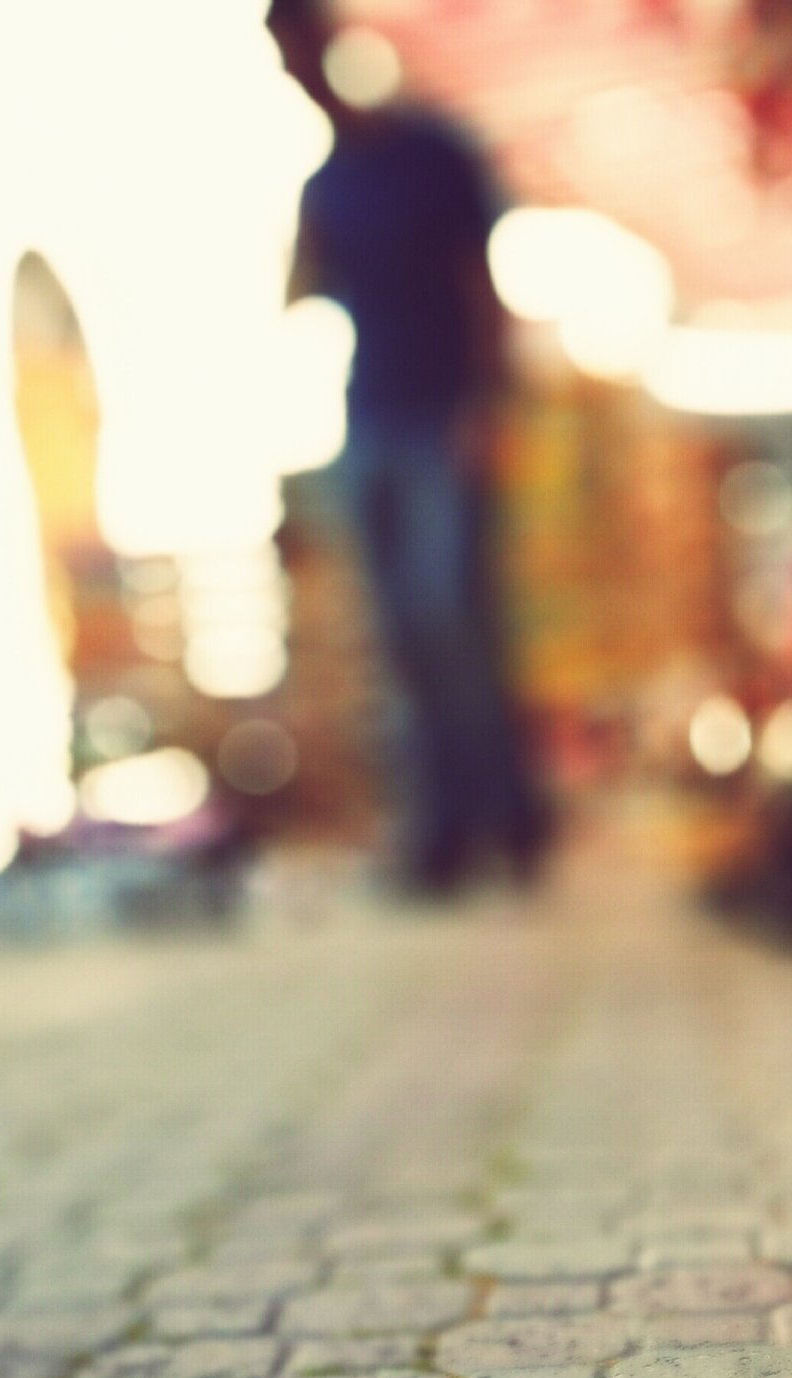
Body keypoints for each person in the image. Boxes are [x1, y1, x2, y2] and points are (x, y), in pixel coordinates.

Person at [271, 0, 547, 893]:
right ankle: (441, 830)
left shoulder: (434, 150)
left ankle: (507, 817)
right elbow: (302, 290)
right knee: (398, 631)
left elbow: (483, 289)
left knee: (453, 616)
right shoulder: (325, 185)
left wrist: (487, 406)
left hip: (444, 417)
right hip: (373, 422)